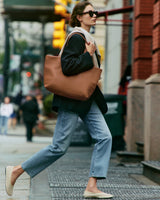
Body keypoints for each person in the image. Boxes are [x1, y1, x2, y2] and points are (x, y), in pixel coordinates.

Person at [5, 2, 113, 199]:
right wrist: (88, 56)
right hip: (72, 98)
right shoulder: (77, 37)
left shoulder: (88, 38)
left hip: (87, 98)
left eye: (95, 12)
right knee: (59, 147)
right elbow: (67, 66)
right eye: (90, 12)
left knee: (105, 137)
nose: (95, 15)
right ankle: (17, 171)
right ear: (79, 16)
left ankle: (92, 185)